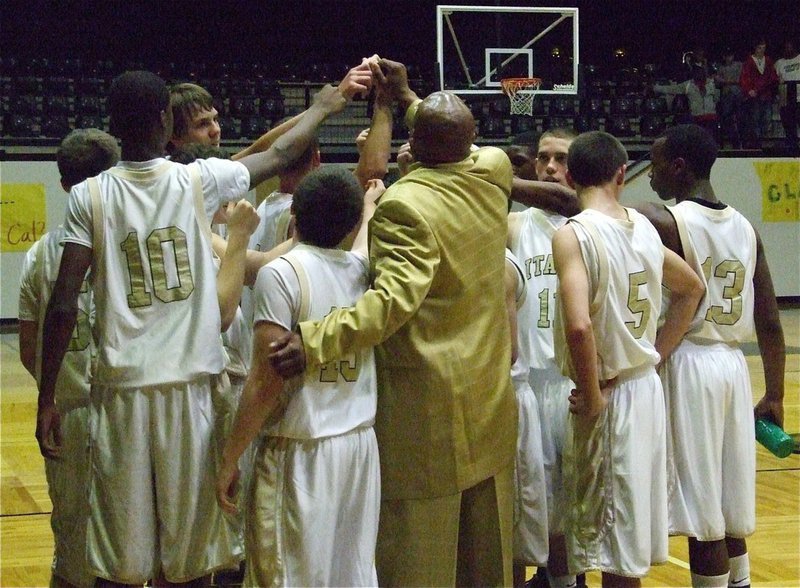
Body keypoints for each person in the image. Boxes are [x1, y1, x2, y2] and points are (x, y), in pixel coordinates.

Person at [36, 68, 366, 586]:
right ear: (166, 120)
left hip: (121, 393)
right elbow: (278, 156)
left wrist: (47, 398)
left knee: (118, 562)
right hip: (190, 393)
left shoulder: (90, 196)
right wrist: (327, 106)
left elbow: (62, 305)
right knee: (189, 561)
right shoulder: (198, 180)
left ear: (115, 125)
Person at [269, 57, 518, 586]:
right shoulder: (494, 170)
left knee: (419, 563)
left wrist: (313, 340)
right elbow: (452, 140)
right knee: (486, 560)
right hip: (490, 400)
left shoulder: (404, 204)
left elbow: (390, 303)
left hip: (427, 414)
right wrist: (406, 100)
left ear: (419, 147)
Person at [216, 166, 383, 586]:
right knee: (351, 576)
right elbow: (360, 242)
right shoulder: (364, 271)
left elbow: (265, 381)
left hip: (298, 454)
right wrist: (367, 207)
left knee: (285, 578)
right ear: (352, 223)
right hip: (359, 449)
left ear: (294, 217)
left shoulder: (281, 273)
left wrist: (229, 457)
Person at [552, 131, 704, 587]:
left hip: (610, 392)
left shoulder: (572, 234)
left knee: (613, 547)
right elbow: (692, 288)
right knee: (625, 541)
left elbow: (579, 326)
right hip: (644, 389)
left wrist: (595, 397)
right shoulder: (642, 227)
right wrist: (656, 355)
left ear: (572, 176)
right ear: (622, 174)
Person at [637, 124, 786, 588]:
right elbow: (770, 323)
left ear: (679, 167)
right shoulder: (746, 228)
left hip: (690, 362)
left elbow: (589, 208)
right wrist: (775, 393)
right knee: (726, 505)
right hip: (732, 367)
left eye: (657, 164)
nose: (652, 175)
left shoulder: (668, 220)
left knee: (702, 511)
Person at [18, 128, 119, 588]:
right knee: (129, 543)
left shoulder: (40, 253)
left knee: (72, 543)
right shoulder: (126, 245)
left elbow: (28, 348)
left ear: (63, 185)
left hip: (69, 409)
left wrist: (51, 391)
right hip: (128, 407)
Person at [507, 128, 586, 588]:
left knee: (576, 505)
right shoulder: (518, 225)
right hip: (531, 383)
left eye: (560, 159)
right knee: (535, 506)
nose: (550, 167)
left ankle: (568, 580)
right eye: (543, 158)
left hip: (573, 382)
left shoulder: (589, 225)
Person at [654, 65, 720, 143]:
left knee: (709, 139)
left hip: (710, 116)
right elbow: (672, 89)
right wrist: (656, 88)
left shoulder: (711, 84)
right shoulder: (688, 85)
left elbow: (716, 98)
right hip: (696, 117)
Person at [740, 39, 778, 149]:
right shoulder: (749, 61)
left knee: (767, 119)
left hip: (766, 94)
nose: (762, 50)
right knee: (755, 120)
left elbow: (772, 77)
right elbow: (744, 78)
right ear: (755, 48)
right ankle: (757, 144)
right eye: (760, 48)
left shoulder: (768, 60)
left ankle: (766, 143)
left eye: (764, 48)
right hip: (754, 96)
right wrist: (749, 90)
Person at [715, 47, 744, 148]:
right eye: (727, 56)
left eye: (730, 55)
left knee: (740, 118)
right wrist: (729, 82)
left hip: (738, 95)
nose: (729, 58)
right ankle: (730, 140)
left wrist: (726, 81)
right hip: (726, 96)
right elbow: (717, 82)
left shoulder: (739, 65)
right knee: (727, 119)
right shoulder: (720, 68)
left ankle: (741, 141)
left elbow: (740, 79)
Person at [774, 40, 800, 154]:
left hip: (799, 97)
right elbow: (773, 79)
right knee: (789, 124)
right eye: (786, 48)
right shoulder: (779, 63)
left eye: (790, 47)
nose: (788, 50)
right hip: (785, 97)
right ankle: (792, 147)